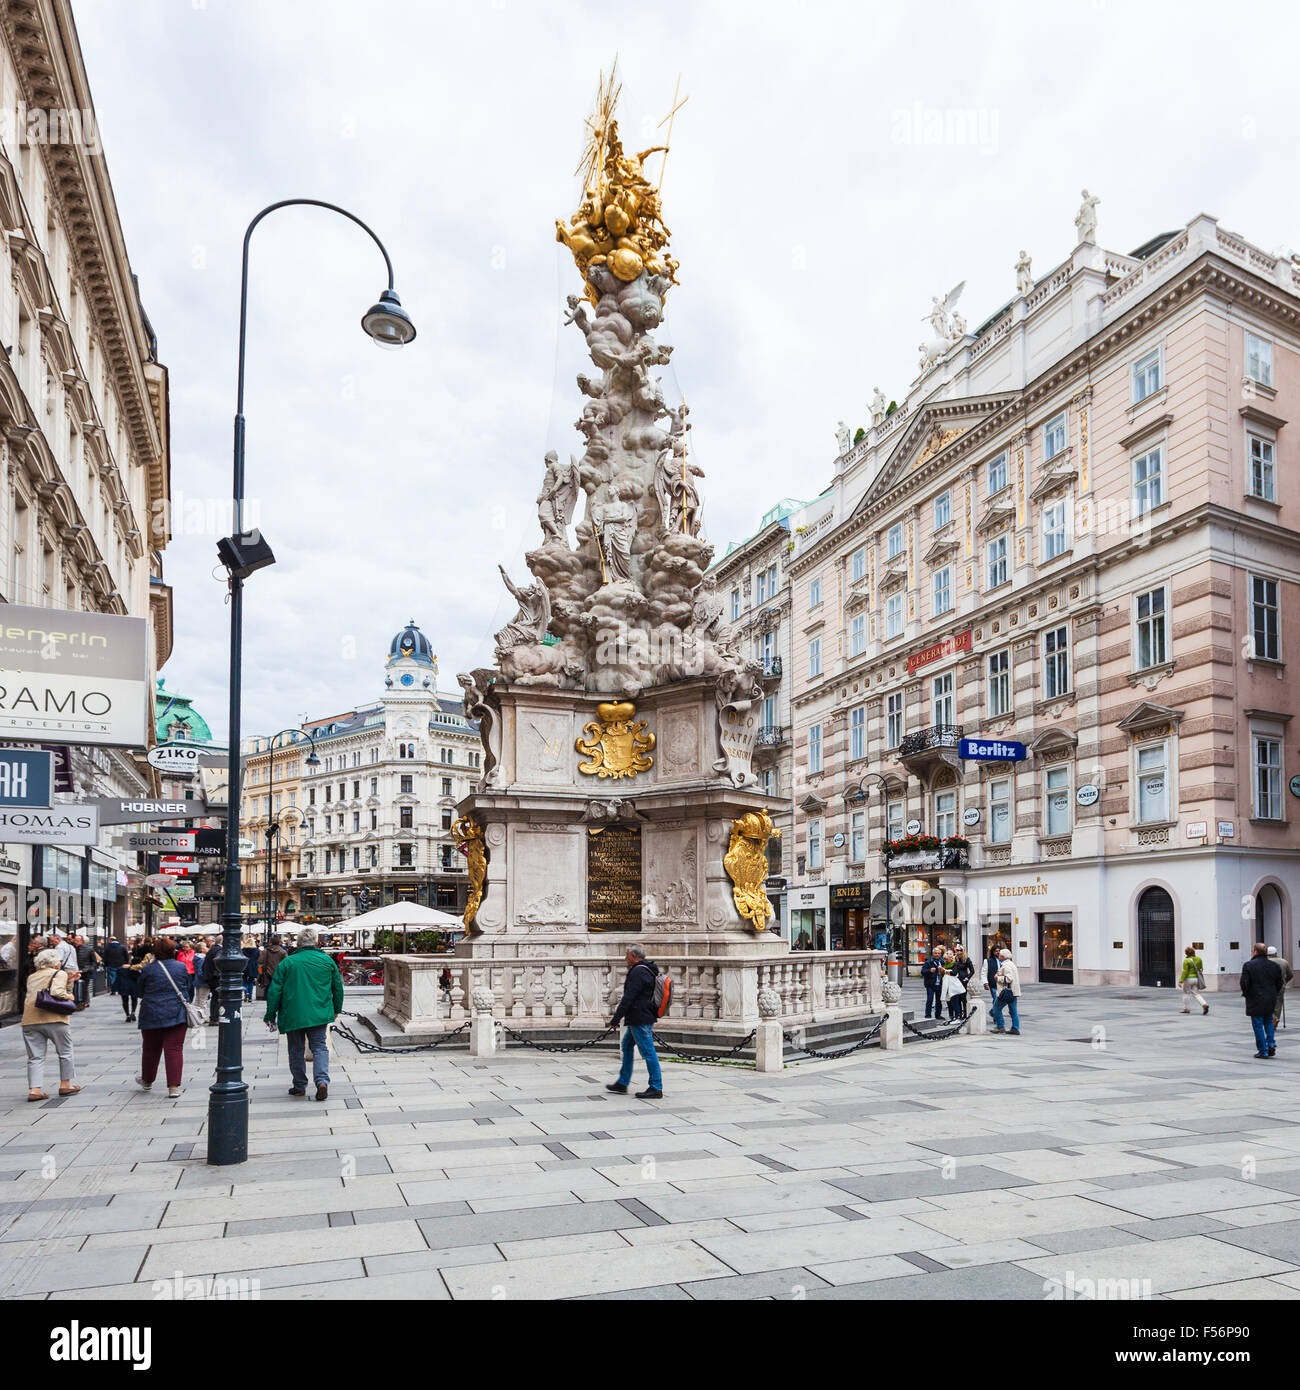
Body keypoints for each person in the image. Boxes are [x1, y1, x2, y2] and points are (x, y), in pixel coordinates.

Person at [264, 926, 343, 1101]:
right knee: (320, 1047)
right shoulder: (327, 961)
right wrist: (337, 1008)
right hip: (318, 1012)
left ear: (298, 943)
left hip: (293, 1013)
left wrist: (270, 1014)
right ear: (316, 942)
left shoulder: (288, 962)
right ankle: (322, 1081)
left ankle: (299, 1086)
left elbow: (275, 991)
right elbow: (338, 988)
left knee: (295, 1049)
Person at [22, 947, 81, 1101]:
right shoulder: (59, 973)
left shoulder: (32, 976)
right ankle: (65, 1084)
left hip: (30, 1020)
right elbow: (56, 992)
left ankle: (35, 1090)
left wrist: (69, 981)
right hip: (55, 1019)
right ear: (55, 962)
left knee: (35, 1056)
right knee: (65, 1051)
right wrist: (69, 995)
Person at [605, 943, 663, 1100]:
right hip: (642, 1016)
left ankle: (656, 1087)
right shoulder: (648, 969)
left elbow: (628, 998)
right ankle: (623, 1082)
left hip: (639, 1018)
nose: (625, 958)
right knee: (627, 1045)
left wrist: (615, 1019)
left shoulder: (638, 972)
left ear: (633, 956)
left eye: (626, 955)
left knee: (648, 1052)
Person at [134, 940, 191, 1098]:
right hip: (177, 1013)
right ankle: (173, 1087)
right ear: (173, 951)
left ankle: (147, 1080)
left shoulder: (148, 969)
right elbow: (188, 987)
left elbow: (139, 991)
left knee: (150, 1049)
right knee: (174, 1050)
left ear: (155, 952)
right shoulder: (181, 967)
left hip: (151, 1014)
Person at [1241, 942, 1284, 1058]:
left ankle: (1263, 1050)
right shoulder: (1274, 966)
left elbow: (1244, 983)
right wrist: (1273, 992)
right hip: (1270, 998)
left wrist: (1247, 994)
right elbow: (1280, 982)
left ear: (1255, 951)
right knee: (1268, 1021)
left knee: (1258, 1024)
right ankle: (1271, 1043)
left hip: (1255, 998)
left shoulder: (1248, 965)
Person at [990, 948, 1022, 1035]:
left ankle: (1000, 1026)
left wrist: (997, 978)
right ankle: (1015, 1028)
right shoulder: (1010, 964)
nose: (998, 956)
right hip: (1013, 992)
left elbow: (1009, 978)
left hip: (1006, 992)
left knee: (996, 1008)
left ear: (1003, 957)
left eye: (999, 955)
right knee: (1013, 1010)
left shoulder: (1006, 965)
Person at [1178, 945, 1209, 1016]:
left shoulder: (1186, 960)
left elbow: (1185, 971)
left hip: (1188, 979)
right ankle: (1204, 1004)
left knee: (1186, 993)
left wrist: (1181, 981)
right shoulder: (1199, 959)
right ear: (1194, 952)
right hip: (1196, 979)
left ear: (1186, 953)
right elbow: (1201, 969)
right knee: (1196, 993)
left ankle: (1186, 1009)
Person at [1268, 946, 1293, 1028]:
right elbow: (1290, 975)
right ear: (1276, 953)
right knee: (1278, 1003)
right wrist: (1284, 982)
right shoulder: (1284, 962)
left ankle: (1269, 1020)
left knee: (1267, 1002)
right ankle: (1275, 1018)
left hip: (1267, 986)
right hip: (1280, 986)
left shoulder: (1264, 961)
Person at [72, 935, 99, 1010]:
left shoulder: (89, 949)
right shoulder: (73, 948)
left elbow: (94, 962)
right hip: (75, 971)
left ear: (82, 941)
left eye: (77, 940)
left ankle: (82, 1003)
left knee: (84, 987)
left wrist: (87, 969)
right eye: (75, 940)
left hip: (85, 972)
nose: (76, 942)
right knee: (75, 986)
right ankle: (78, 1002)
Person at [949, 946, 976, 1020]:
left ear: (962, 951)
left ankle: (965, 1013)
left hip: (963, 980)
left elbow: (972, 971)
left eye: (958, 950)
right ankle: (959, 1014)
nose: (957, 952)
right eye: (956, 950)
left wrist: (967, 978)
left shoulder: (966, 959)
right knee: (957, 998)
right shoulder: (954, 959)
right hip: (955, 980)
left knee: (963, 998)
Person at [921, 945, 945, 1020]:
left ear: (940, 954)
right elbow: (923, 971)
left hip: (939, 984)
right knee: (930, 1000)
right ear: (933, 954)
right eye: (935, 953)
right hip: (930, 984)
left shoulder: (942, 962)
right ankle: (928, 1015)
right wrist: (929, 970)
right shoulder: (928, 962)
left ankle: (938, 1015)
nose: (937, 955)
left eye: (938, 953)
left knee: (939, 1000)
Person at [241, 936, 260, 1002]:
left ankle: (246, 992)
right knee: (251, 981)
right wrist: (260, 970)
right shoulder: (257, 951)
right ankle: (250, 997)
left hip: (244, 967)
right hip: (253, 967)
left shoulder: (243, 950)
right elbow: (259, 960)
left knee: (244, 981)